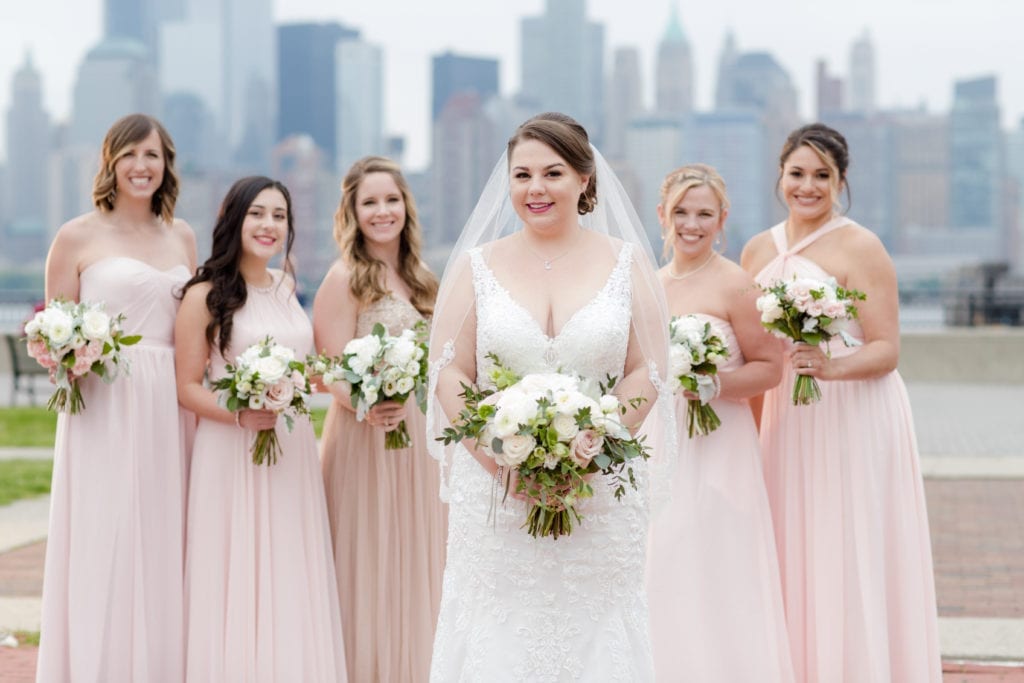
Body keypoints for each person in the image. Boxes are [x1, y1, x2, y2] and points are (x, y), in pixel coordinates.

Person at [426, 112, 674, 681]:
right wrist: (502, 464)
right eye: (522, 175)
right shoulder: (474, 267)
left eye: (552, 173)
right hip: (495, 496)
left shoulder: (627, 263)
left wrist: (592, 447)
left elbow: (648, 370)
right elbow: (449, 373)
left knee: (597, 635)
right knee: (497, 634)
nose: (535, 189)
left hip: (600, 490)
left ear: (586, 179)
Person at [740, 123, 941, 682]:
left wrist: (831, 367)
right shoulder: (757, 248)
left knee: (846, 544)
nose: (808, 186)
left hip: (851, 413)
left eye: (822, 176)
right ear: (780, 175)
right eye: (797, 173)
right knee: (787, 543)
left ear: (841, 181)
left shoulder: (860, 245)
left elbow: (886, 349)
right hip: (786, 416)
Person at [36, 113, 196, 682]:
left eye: (151, 155)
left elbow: (193, 327)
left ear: (165, 165)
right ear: (110, 161)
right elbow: (54, 328)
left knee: (162, 531)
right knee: (106, 530)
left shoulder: (181, 235)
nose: (140, 166)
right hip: (103, 401)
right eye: (129, 154)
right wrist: (72, 353)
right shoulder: (76, 235)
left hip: (169, 401)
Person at [175, 176, 346, 681]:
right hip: (230, 449)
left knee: (290, 567)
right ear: (234, 219)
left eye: (279, 215)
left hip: (290, 446)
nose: (269, 225)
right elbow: (186, 386)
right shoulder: (204, 293)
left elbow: (308, 366)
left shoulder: (289, 286)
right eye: (257, 213)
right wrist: (241, 414)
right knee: (233, 571)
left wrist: (361, 380)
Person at [645, 163, 794, 682]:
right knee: (660, 559)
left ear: (722, 217)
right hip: (660, 442)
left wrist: (712, 385)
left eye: (704, 213)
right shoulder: (651, 286)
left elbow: (770, 369)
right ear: (662, 215)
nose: (692, 223)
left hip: (720, 444)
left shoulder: (737, 285)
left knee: (715, 561)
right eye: (681, 212)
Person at [313, 156, 447, 682]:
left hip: (417, 437)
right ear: (353, 211)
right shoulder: (344, 277)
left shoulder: (422, 278)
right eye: (370, 202)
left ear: (405, 207)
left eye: (391, 199)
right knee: (369, 561)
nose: (382, 211)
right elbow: (328, 368)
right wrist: (367, 403)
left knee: (416, 559)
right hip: (365, 435)